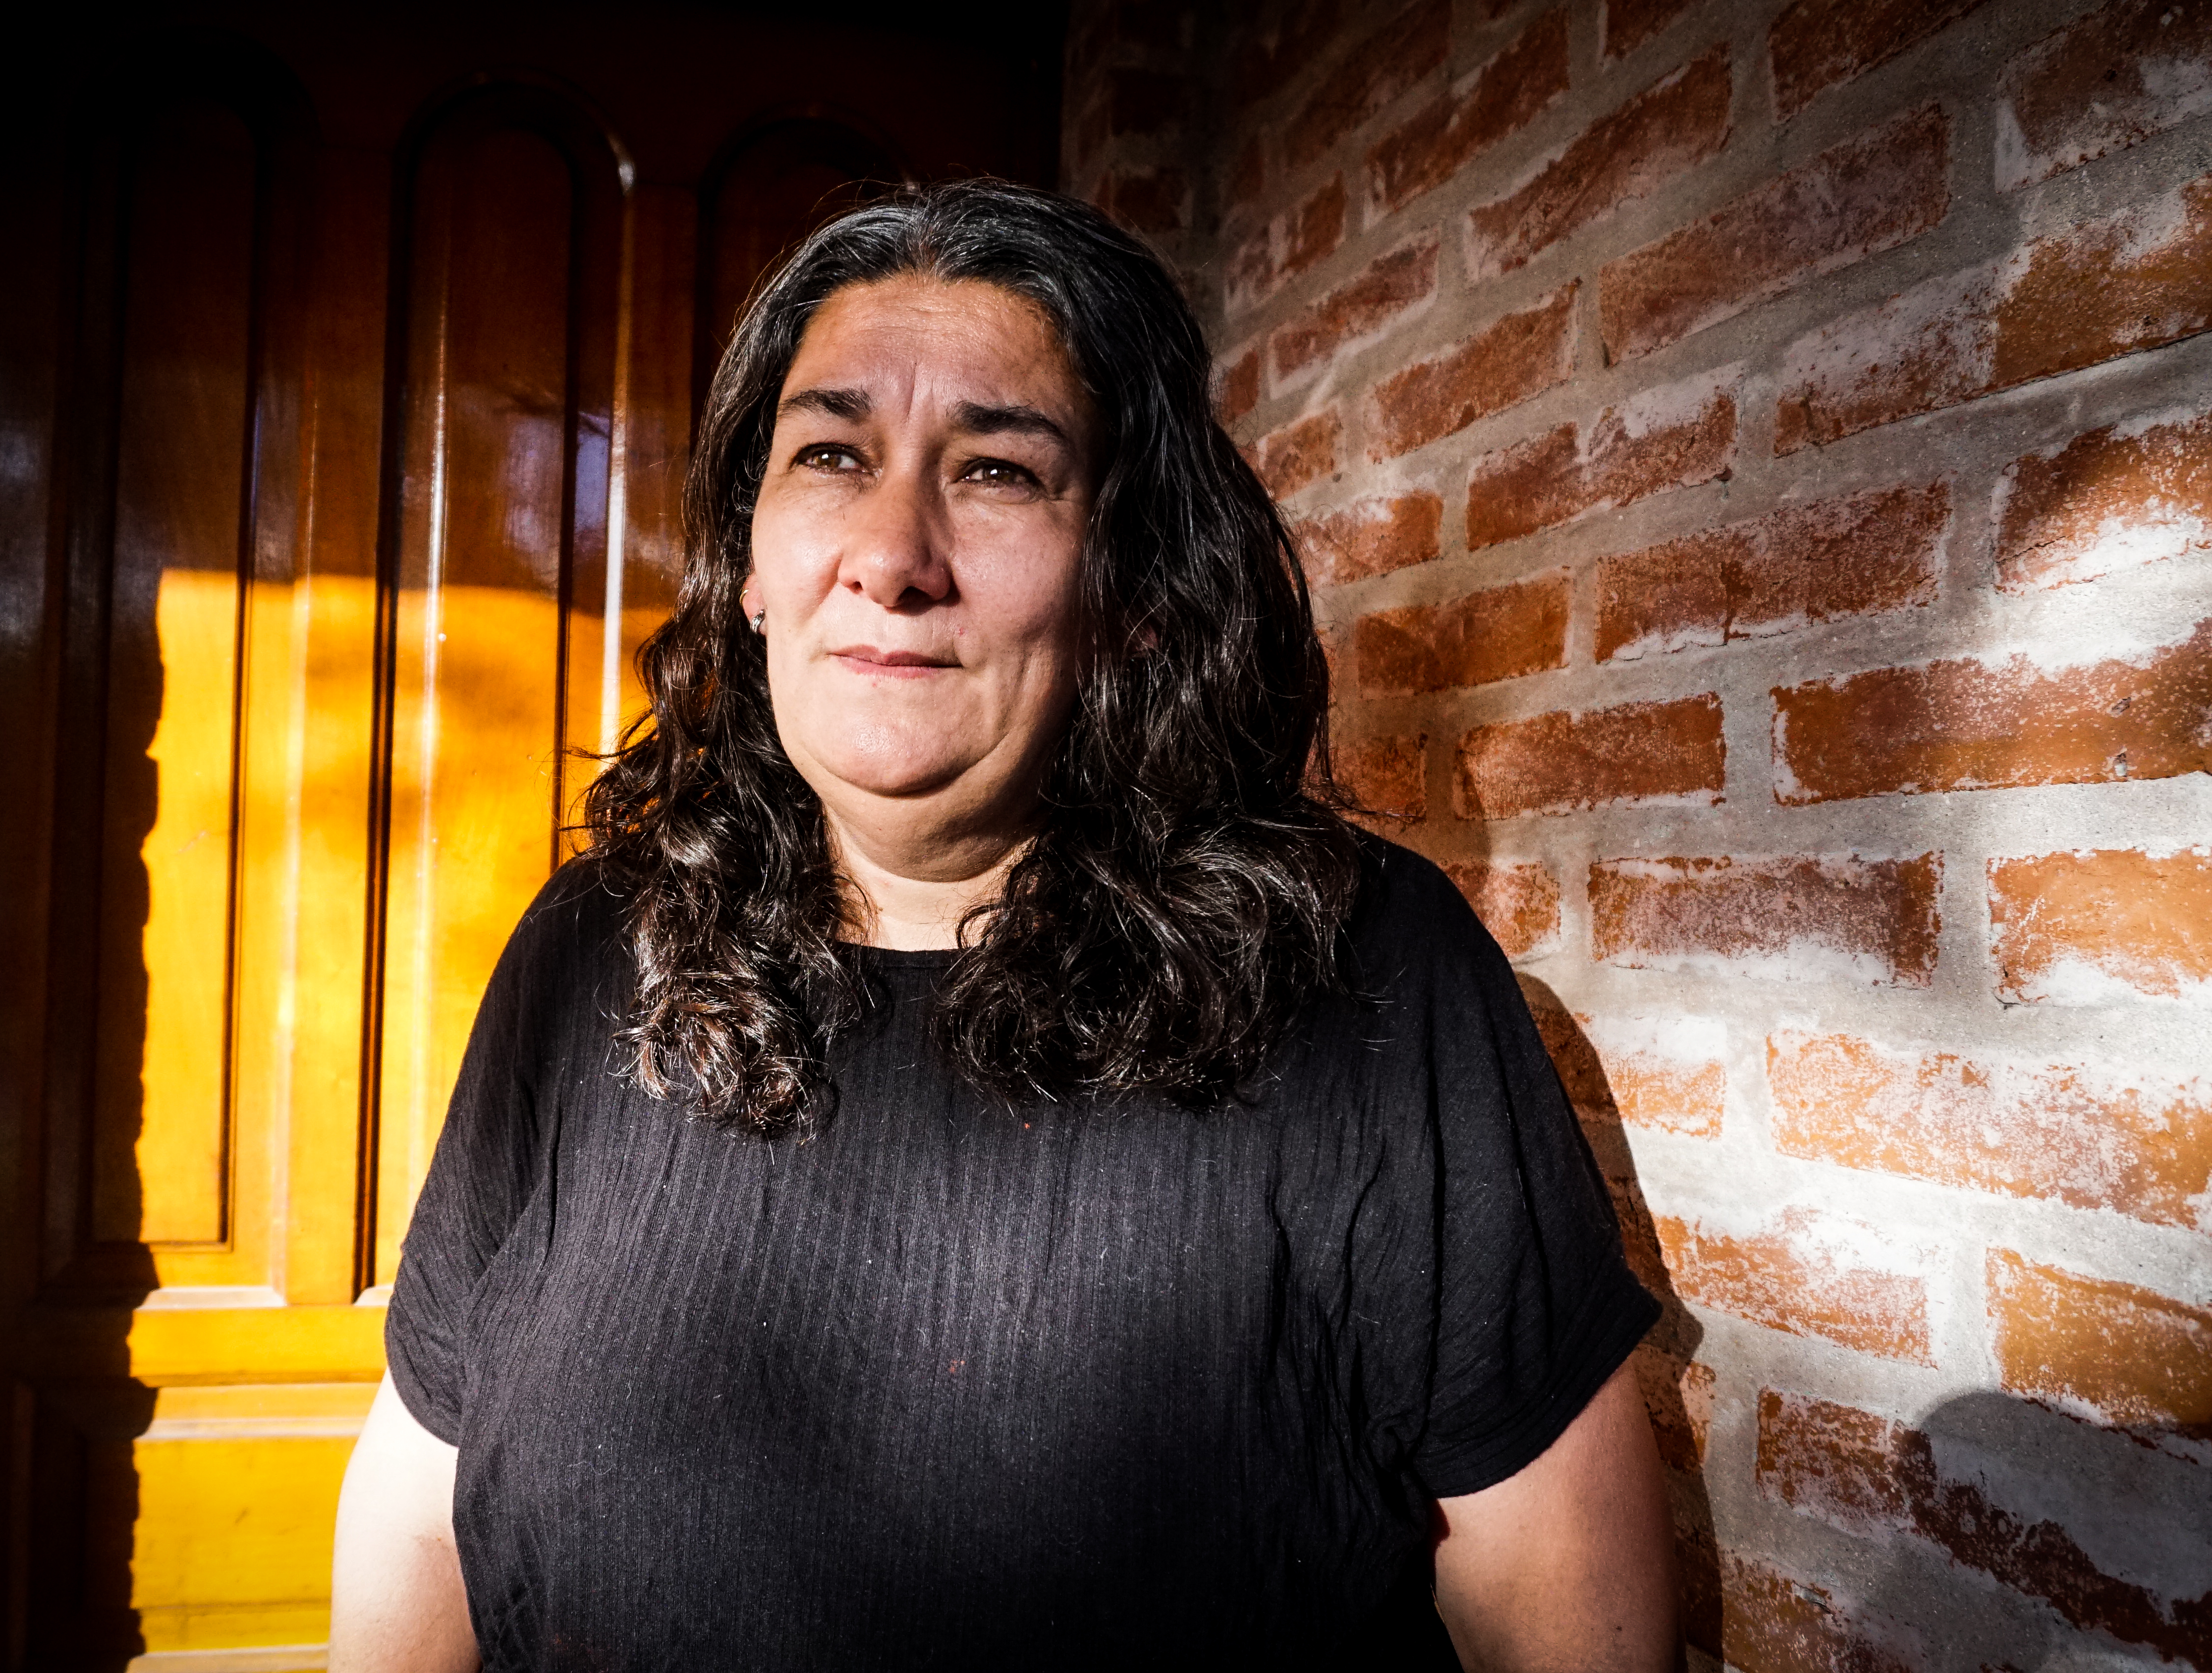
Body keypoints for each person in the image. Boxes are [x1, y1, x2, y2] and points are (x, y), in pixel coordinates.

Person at [329, 179, 1673, 1672]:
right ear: (753, 565)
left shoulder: (1359, 969)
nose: (891, 555)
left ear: (1132, 588)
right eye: (831, 454)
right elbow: (421, 1500)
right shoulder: (597, 945)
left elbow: (1563, 1603)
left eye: (997, 471)